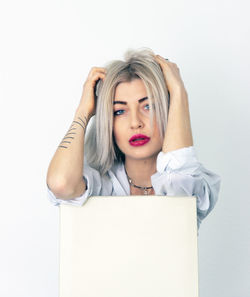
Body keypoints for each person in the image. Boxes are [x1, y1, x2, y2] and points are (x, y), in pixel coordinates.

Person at [46, 47, 221, 234]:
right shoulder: (102, 185)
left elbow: (177, 182)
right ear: (108, 123)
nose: (135, 123)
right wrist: (83, 113)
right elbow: (61, 183)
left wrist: (179, 93)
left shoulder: (196, 181)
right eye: (119, 111)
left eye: (149, 106)